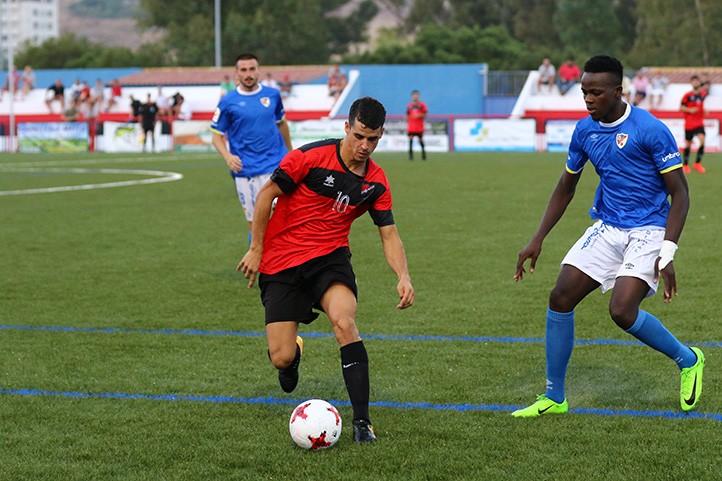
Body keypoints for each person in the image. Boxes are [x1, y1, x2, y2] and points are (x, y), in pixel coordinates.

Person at [512, 55, 704, 418]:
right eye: (584, 92)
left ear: (618, 91)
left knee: (621, 310)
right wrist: (537, 238)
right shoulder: (584, 131)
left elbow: (681, 193)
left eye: (595, 93)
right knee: (560, 296)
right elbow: (565, 187)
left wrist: (669, 250)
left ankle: (689, 359)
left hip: (649, 229)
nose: (587, 100)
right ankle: (554, 397)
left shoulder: (650, 130)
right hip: (608, 226)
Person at [238, 96, 415, 443]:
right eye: (360, 136)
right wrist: (256, 248)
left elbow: (389, 233)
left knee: (345, 323)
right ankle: (295, 354)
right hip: (282, 262)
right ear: (347, 127)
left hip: (329, 260)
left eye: (374, 139)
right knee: (281, 357)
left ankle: (362, 422)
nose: (365, 146)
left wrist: (403, 276)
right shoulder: (309, 157)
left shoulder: (376, 182)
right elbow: (266, 195)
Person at [210, 53, 293, 242]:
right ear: (236, 74)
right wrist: (228, 157)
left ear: (258, 71)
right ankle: (258, 264)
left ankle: (285, 265)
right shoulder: (228, 102)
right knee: (255, 223)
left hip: (275, 164)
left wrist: (291, 153)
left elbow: (282, 124)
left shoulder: (272, 95)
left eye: (252, 69)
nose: (248, 74)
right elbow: (216, 137)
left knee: (284, 217)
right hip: (246, 169)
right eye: (243, 70)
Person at [679, 75, 710, 174]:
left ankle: (697, 163)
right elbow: (681, 108)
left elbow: (706, 87)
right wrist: (690, 110)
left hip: (699, 122)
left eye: (697, 81)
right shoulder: (687, 96)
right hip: (689, 123)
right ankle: (686, 165)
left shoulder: (702, 94)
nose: (695, 83)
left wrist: (703, 110)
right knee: (688, 144)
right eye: (694, 81)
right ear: (691, 83)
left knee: (702, 141)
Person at [405, 89, 428, 160]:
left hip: (419, 127)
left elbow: (425, 114)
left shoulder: (422, 105)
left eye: (416, 95)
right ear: (412, 96)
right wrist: (407, 119)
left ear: (419, 96)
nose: (415, 97)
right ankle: (410, 156)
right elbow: (407, 115)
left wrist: (419, 115)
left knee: (420, 140)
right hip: (411, 127)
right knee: (410, 139)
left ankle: (424, 156)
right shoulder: (409, 105)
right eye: (414, 95)